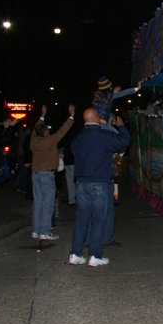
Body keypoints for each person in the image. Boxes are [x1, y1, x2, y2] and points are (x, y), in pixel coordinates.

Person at [69, 108, 130, 267]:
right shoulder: (105, 136)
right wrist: (121, 126)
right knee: (99, 219)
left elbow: (74, 151)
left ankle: (75, 253)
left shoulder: (79, 137)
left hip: (81, 183)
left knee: (82, 219)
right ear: (97, 119)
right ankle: (95, 255)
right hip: (99, 183)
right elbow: (124, 141)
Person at [30, 104, 74, 240]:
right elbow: (63, 131)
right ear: (45, 133)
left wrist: (42, 116)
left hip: (35, 173)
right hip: (47, 174)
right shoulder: (49, 141)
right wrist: (71, 116)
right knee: (48, 203)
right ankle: (45, 232)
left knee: (37, 202)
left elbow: (35, 129)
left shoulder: (33, 140)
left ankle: (35, 230)